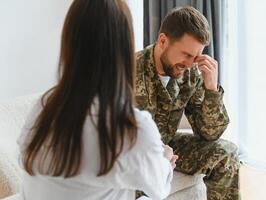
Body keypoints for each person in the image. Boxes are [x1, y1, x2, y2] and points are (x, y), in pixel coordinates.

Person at [17, 0, 174, 200]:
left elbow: (25, 165)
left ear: (69, 42)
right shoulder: (130, 126)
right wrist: (165, 161)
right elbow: (158, 188)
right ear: (124, 48)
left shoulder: (43, 107)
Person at [135, 6, 240, 200]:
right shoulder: (128, 71)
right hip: (136, 154)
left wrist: (211, 89)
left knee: (226, 152)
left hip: (168, 145)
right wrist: (158, 159)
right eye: (186, 54)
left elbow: (210, 133)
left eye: (196, 56)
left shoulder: (190, 73)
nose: (191, 64)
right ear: (163, 41)